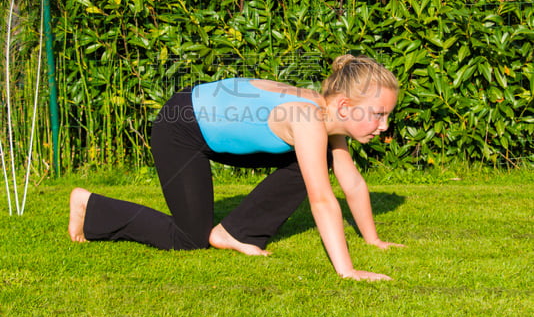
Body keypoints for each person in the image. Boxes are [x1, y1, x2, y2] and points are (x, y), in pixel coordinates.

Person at [69, 54, 403, 280]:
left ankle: (232, 232)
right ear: (344, 106)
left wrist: (372, 240)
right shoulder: (308, 119)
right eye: (378, 114)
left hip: (214, 128)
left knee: (321, 159)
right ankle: (91, 205)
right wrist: (347, 271)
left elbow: (352, 183)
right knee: (188, 238)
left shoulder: (327, 118)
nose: (384, 125)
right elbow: (323, 200)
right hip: (181, 127)